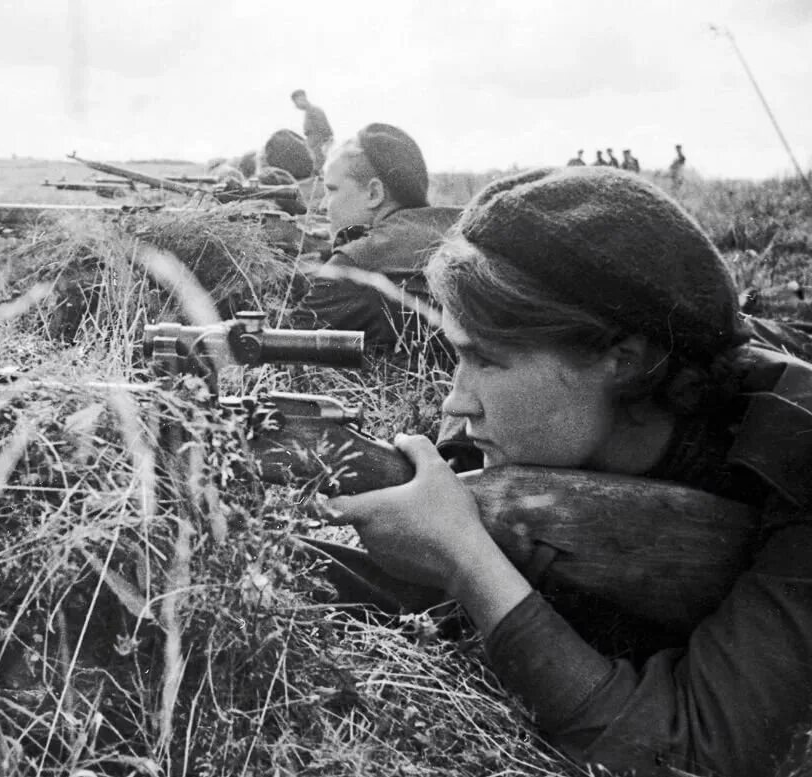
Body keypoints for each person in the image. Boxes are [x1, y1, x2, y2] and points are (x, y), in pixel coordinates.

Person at [325, 166, 812, 776]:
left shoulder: (795, 451)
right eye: (457, 355)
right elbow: (400, 589)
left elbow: (693, 754)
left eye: (485, 360)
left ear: (622, 360)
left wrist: (468, 564)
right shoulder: (524, 429)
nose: (456, 401)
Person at [289, 123, 461, 352]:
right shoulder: (462, 225)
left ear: (374, 193)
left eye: (332, 190)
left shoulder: (359, 261)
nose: (322, 205)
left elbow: (283, 343)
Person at [290, 89, 334, 176]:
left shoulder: (315, 111)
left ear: (301, 99)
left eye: (296, 103)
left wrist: (323, 150)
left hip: (318, 152)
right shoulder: (308, 112)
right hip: (313, 151)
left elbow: (326, 133)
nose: (296, 106)